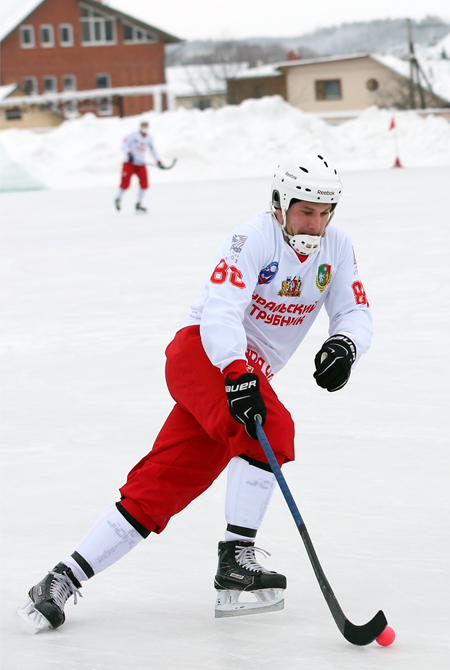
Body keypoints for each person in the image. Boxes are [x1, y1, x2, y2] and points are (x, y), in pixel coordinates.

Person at [18, 152, 373, 632]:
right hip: (204, 355)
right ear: (279, 203)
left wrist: (345, 344)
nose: (315, 222)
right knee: (274, 429)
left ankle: (60, 578)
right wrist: (235, 370)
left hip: (245, 378)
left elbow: (354, 309)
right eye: (305, 210)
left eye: (324, 211)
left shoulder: (338, 247)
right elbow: (221, 310)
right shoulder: (252, 238)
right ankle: (236, 564)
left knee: (164, 483)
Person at [116, 121, 164, 213]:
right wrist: (129, 153)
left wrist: (158, 160)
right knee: (125, 183)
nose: (144, 128)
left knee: (144, 183)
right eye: (143, 126)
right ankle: (118, 198)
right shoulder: (133, 135)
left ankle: (139, 203)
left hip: (141, 163)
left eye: (146, 126)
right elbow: (123, 145)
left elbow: (152, 150)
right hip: (129, 162)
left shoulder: (149, 138)